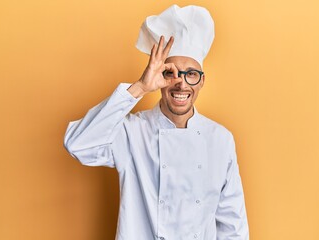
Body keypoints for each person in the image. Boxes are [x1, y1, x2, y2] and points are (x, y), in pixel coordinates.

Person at [64, 4, 249, 240]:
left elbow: (233, 225)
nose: (181, 84)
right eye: (170, 73)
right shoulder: (132, 132)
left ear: (201, 81)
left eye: (191, 74)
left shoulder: (220, 139)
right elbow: (77, 144)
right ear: (158, 77)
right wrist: (139, 87)